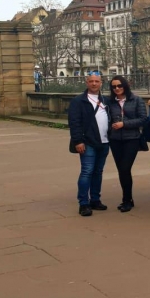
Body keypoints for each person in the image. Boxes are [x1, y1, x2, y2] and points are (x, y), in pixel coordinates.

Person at [68, 73, 110, 217]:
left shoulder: (105, 100)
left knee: (98, 172)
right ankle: (84, 203)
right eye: (91, 81)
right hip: (87, 142)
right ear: (86, 83)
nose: (94, 84)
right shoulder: (78, 101)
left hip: (104, 141)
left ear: (101, 83)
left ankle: (95, 199)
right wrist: (78, 141)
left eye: (96, 81)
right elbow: (74, 122)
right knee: (87, 171)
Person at [105, 75, 147, 212]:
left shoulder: (136, 100)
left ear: (125, 86)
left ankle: (126, 200)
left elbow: (143, 119)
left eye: (119, 85)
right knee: (122, 170)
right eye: (114, 86)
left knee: (125, 168)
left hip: (132, 138)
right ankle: (128, 199)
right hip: (115, 139)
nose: (117, 88)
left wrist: (124, 124)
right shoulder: (110, 102)